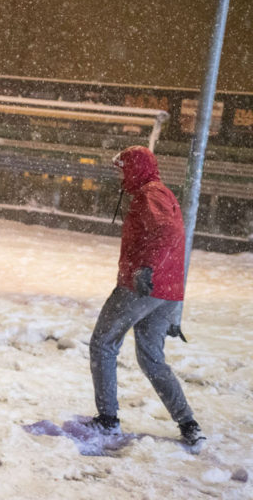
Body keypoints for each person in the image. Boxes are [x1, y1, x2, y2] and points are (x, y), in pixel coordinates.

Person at [87, 145, 205, 447]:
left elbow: (166, 233)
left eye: (123, 167)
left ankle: (108, 419)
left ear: (136, 168)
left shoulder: (149, 194)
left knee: (103, 343)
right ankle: (188, 423)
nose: (120, 174)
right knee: (151, 358)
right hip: (167, 291)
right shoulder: (158, 192)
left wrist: (145, 269)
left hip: (142, 286)